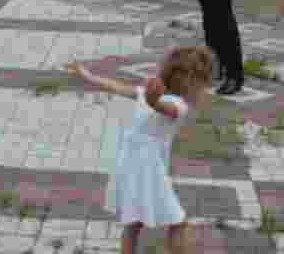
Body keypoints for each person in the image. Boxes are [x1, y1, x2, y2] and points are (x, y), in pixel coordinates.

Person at [67, 46, 215, 254]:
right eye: (201, 84)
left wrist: (88, 76)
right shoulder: (177, 105)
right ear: (192, 82)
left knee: (134, 223)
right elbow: (162, 107)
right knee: (178, 222)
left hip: (131, 164)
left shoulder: (154, 97)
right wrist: (152, 100)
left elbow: (118, 87)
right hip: (148, 170)